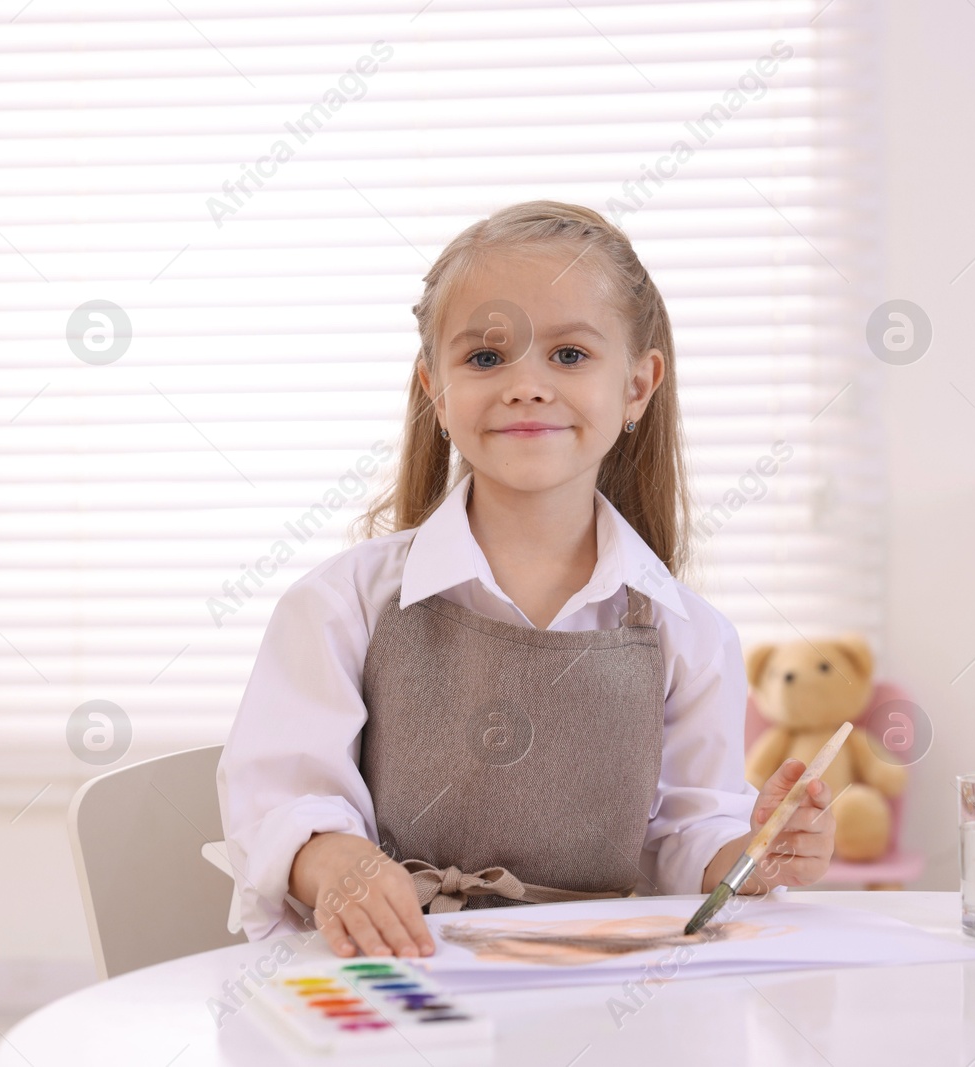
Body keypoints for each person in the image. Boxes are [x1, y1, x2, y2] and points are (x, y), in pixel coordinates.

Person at [217, 201, 836, 958]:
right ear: (436, 390)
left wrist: (751, 854)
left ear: (638, 386)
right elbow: (280, 798)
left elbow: (686, 835)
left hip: (594, 986)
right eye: (485, 358)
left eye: (570, 355)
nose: (527, 386)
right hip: (400, 974)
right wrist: (332, 858)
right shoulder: (342, 605)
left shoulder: (690, 635)